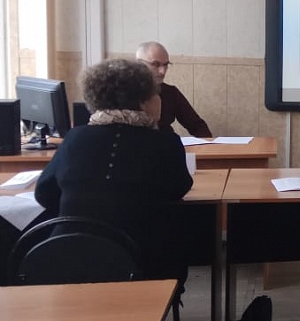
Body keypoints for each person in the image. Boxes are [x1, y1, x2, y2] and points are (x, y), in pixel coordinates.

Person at [34, 58, 193, 282]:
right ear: (144, 101)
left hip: (71, 260)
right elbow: (179, 188)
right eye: (156, 94)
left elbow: (44, 193)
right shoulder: (165, 142)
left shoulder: (75, 138)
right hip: (144, 262)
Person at [136, 41, 212, 137]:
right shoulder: (124, 93)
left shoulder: (170, 93)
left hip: (166, 143)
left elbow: (196, 125)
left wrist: (208, 143)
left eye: (166, 65)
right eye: (156, 64)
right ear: (139, 64)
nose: (162, 71)